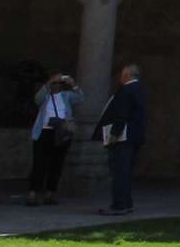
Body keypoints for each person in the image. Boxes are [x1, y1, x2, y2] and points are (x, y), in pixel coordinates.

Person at [92, 63, 146, 217]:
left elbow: (122, 114)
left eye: (122, 74)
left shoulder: (126, 90)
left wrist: (114, 134)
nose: (121, 77)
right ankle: (126, 203)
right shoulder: (140, 89)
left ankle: (119, 205)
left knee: (120, 172)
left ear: (126, 76)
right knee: (126, 172)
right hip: (135, 136)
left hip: (123, 138)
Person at [25, 71, 83, 207]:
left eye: (59, 83)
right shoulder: (45, 96)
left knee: (57, 163)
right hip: (44, 131)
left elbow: (81, 98)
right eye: (55, 83)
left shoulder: (67, 96)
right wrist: (49, 82)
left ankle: (50, 193)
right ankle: (32, 193)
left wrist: (73, 84)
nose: (57, 85)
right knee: (39, 163)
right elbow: (37, 99)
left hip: (60, 132)